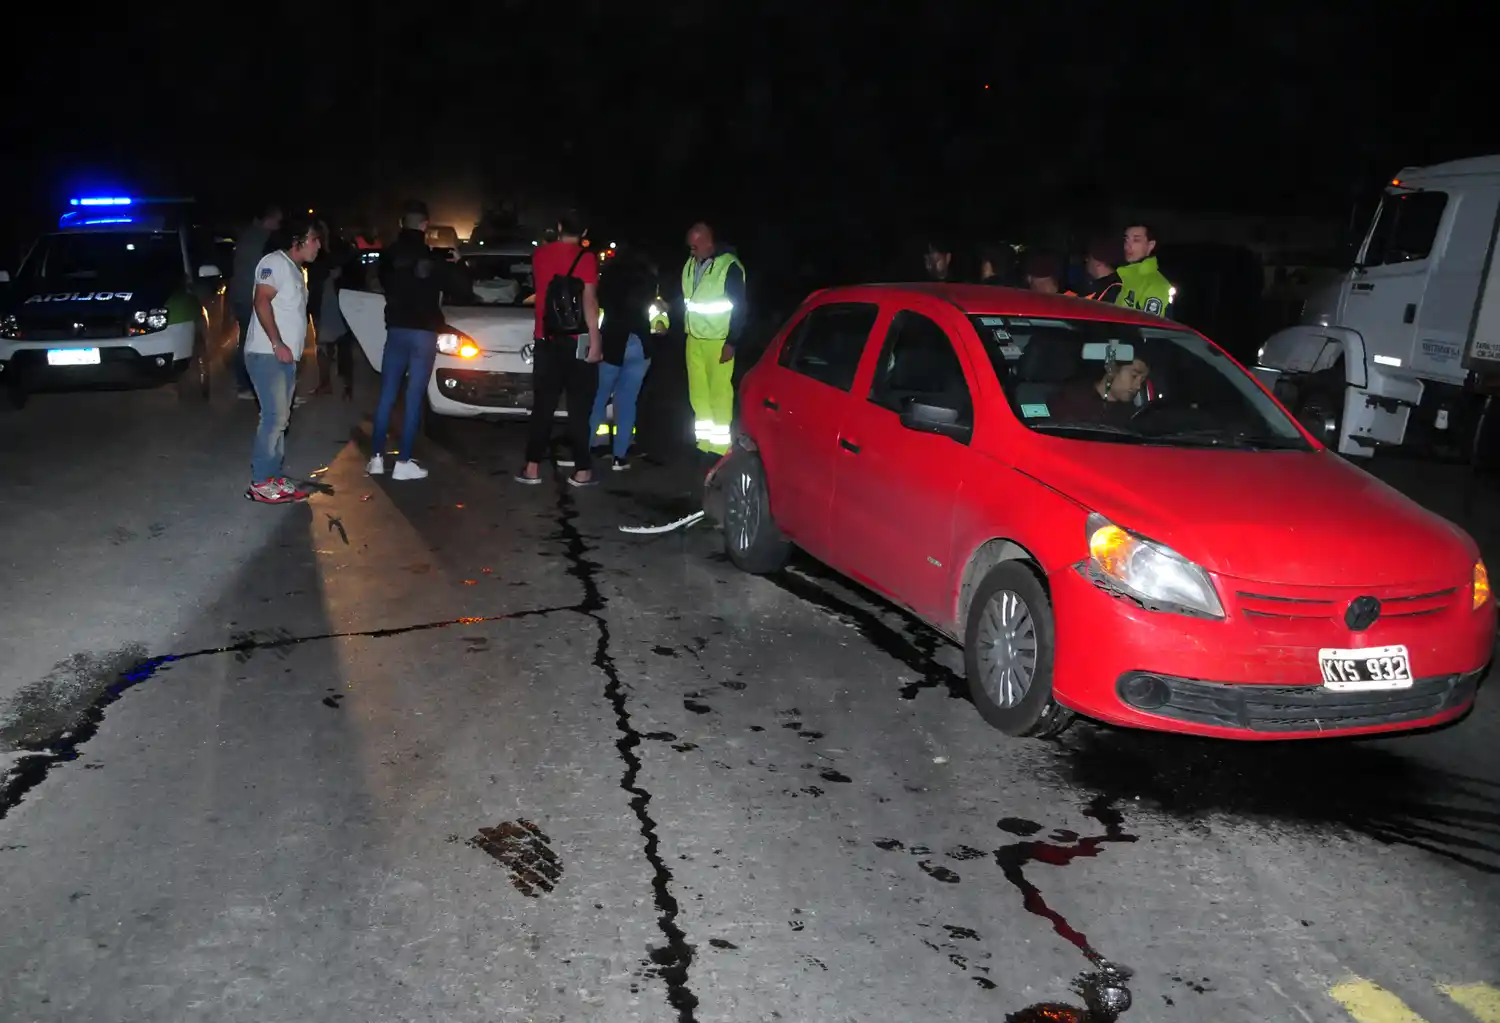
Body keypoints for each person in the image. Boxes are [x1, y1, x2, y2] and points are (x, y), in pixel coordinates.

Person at [516, 210, 602, 486]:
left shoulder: (540, 255)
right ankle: (582, 471)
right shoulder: (587, 259)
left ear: (558, 226)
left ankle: (531, 468)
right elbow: (589, 300)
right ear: (585, 233)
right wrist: (595, 339)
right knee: (580, 408)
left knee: (543, 406)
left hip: (546, 340)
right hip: (579, 342)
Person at [368, 200, 453, 481]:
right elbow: (455, 286)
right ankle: (404, 462)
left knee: (387, 395)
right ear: (425, 225)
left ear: (402, 223)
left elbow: (382, 283)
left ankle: (376, 458)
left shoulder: (388, 255)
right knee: (414, 397)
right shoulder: (432, 257)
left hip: (397, 330)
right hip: (424, 333)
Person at [243, 216, 322, 504]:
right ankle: (261, 482)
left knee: (281, 419)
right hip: (267, 353)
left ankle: (272, 476)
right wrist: (277, 343)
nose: (318, 246)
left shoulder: (295, 270)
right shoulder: (274, 262)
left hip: (283, 356)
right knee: (274, 418)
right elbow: (261, 301)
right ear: (298, 239)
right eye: (315, 239)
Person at [588, 248, 657, 470]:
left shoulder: (609, 277)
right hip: (640, 342)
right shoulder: (648, 278)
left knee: (598, 398)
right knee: (627, 402)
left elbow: (599, 305)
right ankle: (620, 456)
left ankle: (585, 450)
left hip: (613, 341)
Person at [681, 221, 746, 457]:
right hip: (694, 339)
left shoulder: (729, 267)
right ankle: (703, 444)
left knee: (719, 393)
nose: (691, 251)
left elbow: (740, 308)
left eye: (695, 246)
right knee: (698, 394)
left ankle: (719, 449)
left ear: (708, 242)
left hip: (719, 341)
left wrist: (732, 341)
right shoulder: (691, 265)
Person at [229, 204, 283, 400]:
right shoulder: (259, 239)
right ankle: (249, 384)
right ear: (268, 219)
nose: (278, 225)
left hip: (242, 296)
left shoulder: (249, 235)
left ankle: (245, 383)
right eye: (277, 220)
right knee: (255, 341)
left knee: (248, 339)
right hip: (250, 297)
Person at [1049, 356, 1151, 426]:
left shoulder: (1133, 416)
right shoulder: (1071, 399)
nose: (1138, 386)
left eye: (1142, 381)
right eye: (1134, 376)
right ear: (1112, 369)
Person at [311, 240, 354, 398]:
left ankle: (339, 386)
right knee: (332, 349)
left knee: (335, 349)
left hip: (334, 307)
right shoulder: (323, 260)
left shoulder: (326, 257)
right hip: (330, 307)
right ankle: (337, 386)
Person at [1116, 223, 1175, 317]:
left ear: (1150, 245)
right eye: (1126, 239)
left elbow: (1150, 329)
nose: (1128, 245)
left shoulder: (1156, 284)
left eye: (1136, 240)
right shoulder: (1120, 277)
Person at [1081, 237, 1124, 303]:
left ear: (1098, 262)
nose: (1086, 260)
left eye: (1088, 257)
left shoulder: (1112, 290)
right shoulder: (1109, 287)